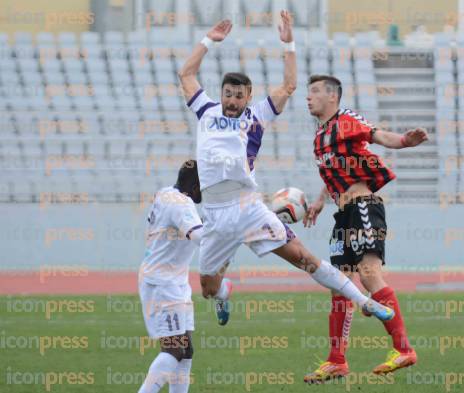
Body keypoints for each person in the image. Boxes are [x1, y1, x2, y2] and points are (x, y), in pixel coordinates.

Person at [177, 13, 394, 327]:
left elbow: (290, 85)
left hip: (248, 207)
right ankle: (225, 292)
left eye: (239, 95)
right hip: (215, 214)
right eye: (228, 94)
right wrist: (208, 40)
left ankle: (366, 302)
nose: (232, 100)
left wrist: (289, 42)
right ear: (221, 94)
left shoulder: (257, 115)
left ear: (248, 97)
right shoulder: (206, 111)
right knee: (208, 290)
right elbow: (186, 73)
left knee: (303, 258)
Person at [302, 75, 429, 383]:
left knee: (369, 274)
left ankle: (403, 349)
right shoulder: (320, 138)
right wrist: (320, 201)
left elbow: (376, 135)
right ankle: (337, 360)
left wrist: (404, 142)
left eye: (315, 92)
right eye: (308, 93)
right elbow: (332, 171)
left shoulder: (345, 120)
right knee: (340, 285)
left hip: (363, 207)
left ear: (332, 97)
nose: (308, 98)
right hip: (342, 214)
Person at [138, 160, 203, 393]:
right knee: (174, 349)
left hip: (171, 281)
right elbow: (200, 238)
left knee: (185, 351)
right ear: (196, 186)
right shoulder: (182, 204)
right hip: (163, 284)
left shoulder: (166, 192)